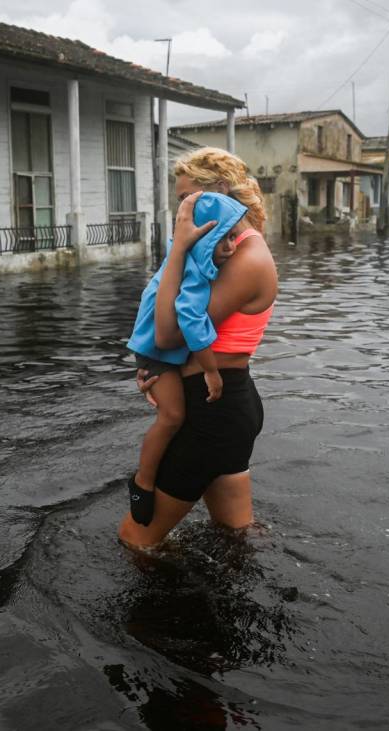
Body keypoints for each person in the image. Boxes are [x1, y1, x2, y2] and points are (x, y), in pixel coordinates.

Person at [118, 147, 278, 548]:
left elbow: (170, 334)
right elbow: (173, 337)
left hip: (215, 413)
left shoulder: (247, 256)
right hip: (220, 407)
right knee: (234, 535)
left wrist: (176, 250)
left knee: (135, 540)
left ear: (218, 192)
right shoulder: (224, 248)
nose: (181, 213)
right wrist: (160, 370)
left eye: (185, 200)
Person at [124, 192, 251, 526]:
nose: (232, 247)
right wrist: (211, 372)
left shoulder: (187, 259)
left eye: (234, 237)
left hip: (158, 352)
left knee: (174, 417)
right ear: (203, 239)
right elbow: (191, 320)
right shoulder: (193, 273)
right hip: (158, 354)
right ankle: (142, 483)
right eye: (222, 238)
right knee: (172, 416)